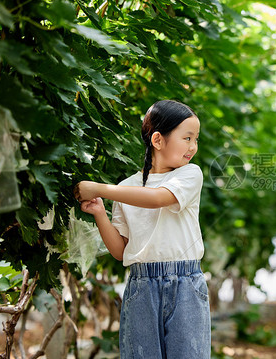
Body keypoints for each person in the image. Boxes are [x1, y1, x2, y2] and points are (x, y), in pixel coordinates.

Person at [74, 100, 210, 358]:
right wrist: (100, 212)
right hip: (141, 284)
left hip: (185, 284)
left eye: (196, 139)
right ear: (158, 140)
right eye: (187, 138)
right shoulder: (127, 188)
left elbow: (159, 198)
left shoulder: (190, 174)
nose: (193, 147)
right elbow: (119, 250)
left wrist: (101, 188)